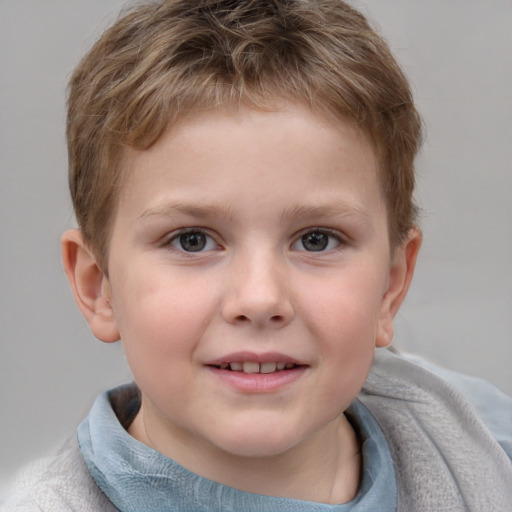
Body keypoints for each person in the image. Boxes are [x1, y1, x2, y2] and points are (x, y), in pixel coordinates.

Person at [1, 0, 511, 510]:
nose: (261, 298)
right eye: (192, 240)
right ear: (98, 287)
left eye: (317, 240)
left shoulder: (485, 439)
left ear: (392, 284)